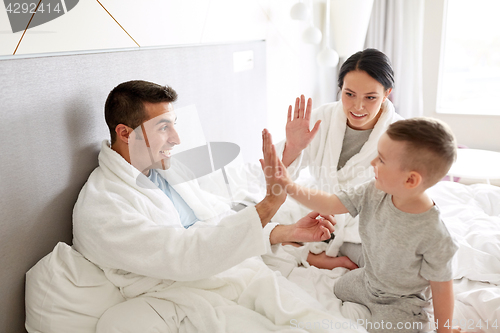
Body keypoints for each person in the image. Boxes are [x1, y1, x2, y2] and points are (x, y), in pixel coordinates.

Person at [72, 80, 363, 332]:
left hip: (236, 270)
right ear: (125, 133)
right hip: (188, 292)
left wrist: (282, 232)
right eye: (164, 128)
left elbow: (217, 218)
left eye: (174, 125)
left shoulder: (165, 171)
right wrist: (268, 205)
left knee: (323, 321)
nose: (176, 138)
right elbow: (183, 254)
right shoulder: (103, 207)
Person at [262, 118, 460, 333]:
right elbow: (330, 202)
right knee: (338, 288)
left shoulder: (435, 235)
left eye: (382, 160)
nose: (373, 162)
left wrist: (445, 331)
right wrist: (288, 186)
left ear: (411, 180)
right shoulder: (373, 191)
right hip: (368, 280)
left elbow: (442, 289)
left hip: (401, 301)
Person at [274, 48, 404, 271]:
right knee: (255, 224)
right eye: (349, 94)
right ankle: (317, 257)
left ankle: (320, 254)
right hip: (319, 211)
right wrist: (293, 148)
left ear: (386, 93)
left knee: (390, 268)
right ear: (340, 89)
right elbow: (276, 178)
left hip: (364, 223)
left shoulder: (400, 134)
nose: (357, 106)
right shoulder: (321, 118)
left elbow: (402, 196)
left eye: (370, 98)